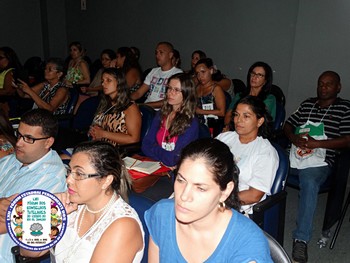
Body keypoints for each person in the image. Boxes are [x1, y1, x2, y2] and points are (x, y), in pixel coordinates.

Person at [145, 138, 272, 262]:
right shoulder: (162, 214)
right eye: (181, 180)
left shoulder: (246, 244)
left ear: (225, 191)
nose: (184, 196)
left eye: (200, 188)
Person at [20, 141, 144, 262]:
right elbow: (28, 252)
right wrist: (48, 213)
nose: (68, 180)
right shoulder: (74, 205)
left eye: (79, 174)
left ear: (106, 181)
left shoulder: (123, 227)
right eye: (69, 171)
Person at [283, 71, 350, 263]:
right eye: (320, 83)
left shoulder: (345, 109)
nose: (323, 87)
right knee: (270, 164)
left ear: (338, 87)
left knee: (310, 181)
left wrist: (318, 144)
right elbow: (287, 125)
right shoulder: (307, 104)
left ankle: (301, 239)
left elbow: (347, 141)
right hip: (296, 153)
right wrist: (294, 138)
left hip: (321, 160)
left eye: (329, 84)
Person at [0, 108, 67, 263]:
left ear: (48, 142)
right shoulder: (13, 160)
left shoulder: (51, 179)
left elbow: (10, 225)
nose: (18, 143)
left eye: (29, 139)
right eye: (19, 135)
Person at [217, 96, 278, 214]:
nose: (238, 120)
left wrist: (218, 199)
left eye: (246, 116)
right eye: (236, 114)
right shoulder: (225, 137)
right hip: (211, 192)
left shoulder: (265, 152)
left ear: (259, 121)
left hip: (235, 206)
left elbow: (254, 195)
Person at [142, 73, 199, 167]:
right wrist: (164, 156)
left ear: (186, 94)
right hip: (156, 165)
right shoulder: (161, 114)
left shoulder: (191, 123)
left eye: (176, 90)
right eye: (169, 88)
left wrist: (155, 149)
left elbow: (174, 159)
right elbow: (145, 146)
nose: (170, 93)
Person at [88, 68, 141, 147]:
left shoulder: (130, 107)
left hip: (118, 151)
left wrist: (103, 134)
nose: (103, 84)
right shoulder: (105, 103)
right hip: (102, 147)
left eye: (108, 80)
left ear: (119, 82)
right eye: (102, 81)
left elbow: (134, 139)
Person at [224, 61, 276, 131]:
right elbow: (228, 117)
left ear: (265, 81)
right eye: (253, 73)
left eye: (259, 75)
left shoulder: (269, 99)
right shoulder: (239, 96)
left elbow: (260, 122)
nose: (254, 77)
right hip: (235, 129)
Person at [130, 42, 182, 109]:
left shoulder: (178, 73)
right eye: (156, 53)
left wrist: (142, 105)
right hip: (147, 108)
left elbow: (167, 101)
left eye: (161, 52)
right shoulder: (153, 71)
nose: (157, 55)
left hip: (162, 110)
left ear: (170, 55)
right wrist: (125, 100)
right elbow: (139, 93)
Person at [195, 58, 226, 137]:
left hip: (212, 126)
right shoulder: (196, 88)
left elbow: (222, 112)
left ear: (211, 71)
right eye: (197, 73)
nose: (200, 76)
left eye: (203, 72)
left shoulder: (216, 89)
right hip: (197, 125)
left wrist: (200, 111)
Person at [0, 47, 23, 117]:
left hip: (8, 104)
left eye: (0, 58)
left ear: (9, 58)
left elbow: (9, 91)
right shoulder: (3, 71)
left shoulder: (10, 72)